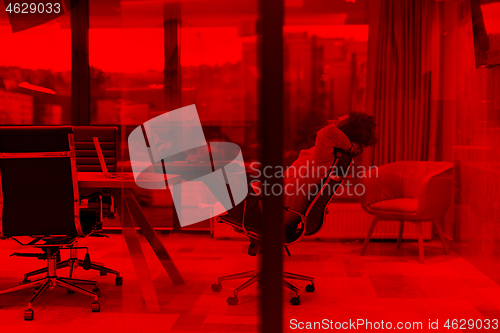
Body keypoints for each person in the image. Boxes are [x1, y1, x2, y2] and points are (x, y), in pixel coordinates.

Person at [283, 112, 378, 237]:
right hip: (283, 207)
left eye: (337, 121)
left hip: (277, 211)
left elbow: (327, 133)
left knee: (251, 181)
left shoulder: (325, 159)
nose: (332, 122)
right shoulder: (331, 158)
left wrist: (350, 146)